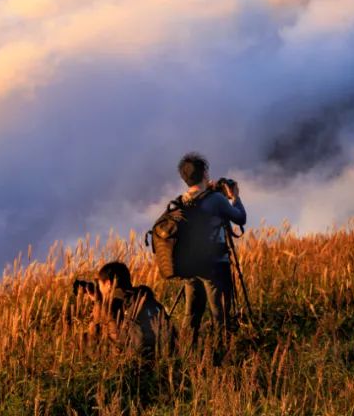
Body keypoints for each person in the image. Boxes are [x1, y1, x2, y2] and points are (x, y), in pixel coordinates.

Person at [174, 152, 247, 345]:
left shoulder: (181, 201)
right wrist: (234, 197)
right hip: (215, 264)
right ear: (205, 173)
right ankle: (223, 351)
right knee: (220, 313)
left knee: (191, 314)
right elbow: (240, 218)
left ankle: (188, 353)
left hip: (189, 266)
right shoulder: (216, 199)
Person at [73, 261, 169, 360]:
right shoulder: (143, 296)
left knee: (82, 339)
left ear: (109, 284)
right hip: (160, 352)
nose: (99, 288)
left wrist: (97, 303)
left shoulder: (112, 304)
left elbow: (96, 331)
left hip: (131, 358)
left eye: (100, 284)